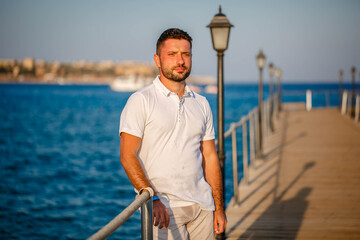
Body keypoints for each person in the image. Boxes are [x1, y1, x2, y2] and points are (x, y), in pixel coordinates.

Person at [119, 28, 226, 239]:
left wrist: (219, 208)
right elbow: (127, 156)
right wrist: (152, 197)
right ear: (157, 60)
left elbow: (210, 157)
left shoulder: (201, 103)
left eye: (185, 54)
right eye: (172, 54)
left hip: (202, 206)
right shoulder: (141, 100)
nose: (180, 61)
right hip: (164, 209)